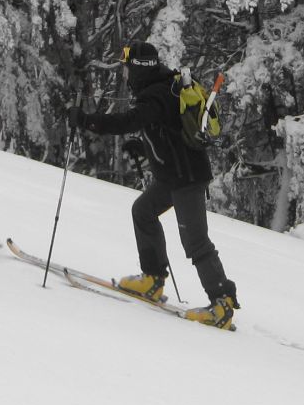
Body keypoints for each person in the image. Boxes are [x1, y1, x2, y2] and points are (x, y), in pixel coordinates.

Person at [69, 41, 238, 330]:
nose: (125, 74)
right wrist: (144, 145)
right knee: (143, 211)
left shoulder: (156, 94)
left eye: (126, 68)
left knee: (195, 241)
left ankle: (221, 304)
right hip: (173, 176)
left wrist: (86, 121)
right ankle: (152, 280)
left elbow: (129, 121)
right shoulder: (163, 87)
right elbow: (167, 130)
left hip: (186, 179)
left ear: (137, 68)